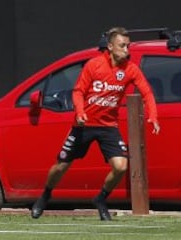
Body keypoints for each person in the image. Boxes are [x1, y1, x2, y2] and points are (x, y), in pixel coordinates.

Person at [31, 27, 161, 221]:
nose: (127, 49)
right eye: (122, 45)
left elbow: (147, 93)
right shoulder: (94, 65)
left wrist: (153, 116)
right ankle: (45, 196)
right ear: (110, 47)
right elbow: (78, 91)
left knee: (121, 167)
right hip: (83, 125)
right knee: (61, 166)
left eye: (128, 45)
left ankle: (100, 198)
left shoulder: (131, 69)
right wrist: (81, 112)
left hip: (108, 127)